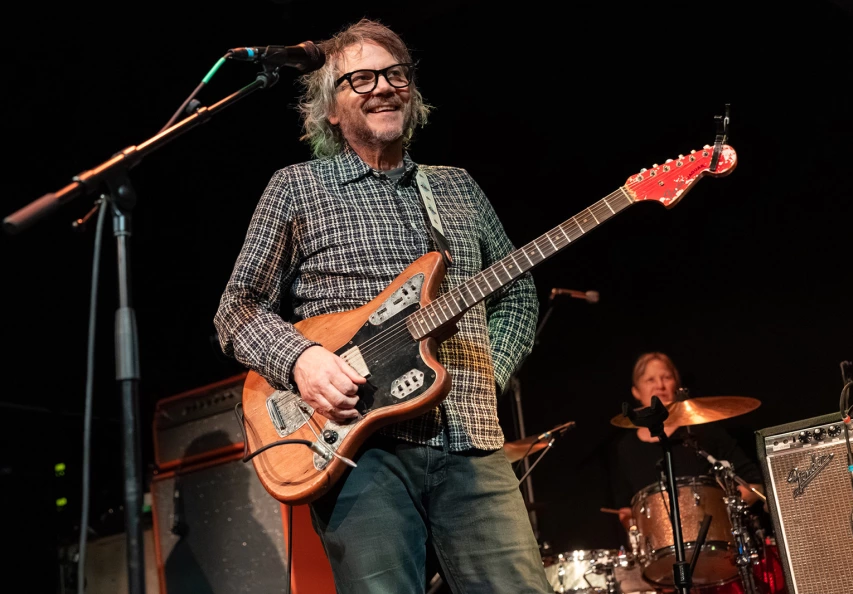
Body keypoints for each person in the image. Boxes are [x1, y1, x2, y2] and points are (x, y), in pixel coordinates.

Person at [213, 17, 552, 594]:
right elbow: (236, 310)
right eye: (360, 79)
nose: (382, 87)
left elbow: (517, 289)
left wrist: (486, 367)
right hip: (357, 449)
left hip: (470, 440)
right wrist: (301, 360)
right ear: (330, 110)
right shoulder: (296, 188)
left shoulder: (456, 187)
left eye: (395, 74)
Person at [605, 352, 772, 594]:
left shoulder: (703, 433)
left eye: (666, 377)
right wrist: (633, 526)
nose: (660, 385)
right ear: (635, 391)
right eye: (650, 379)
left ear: (677, 384)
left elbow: (754, 483)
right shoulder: (625, 449)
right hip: (662, 567)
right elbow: (625, 510)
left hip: (719, 556)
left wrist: (722, 511)